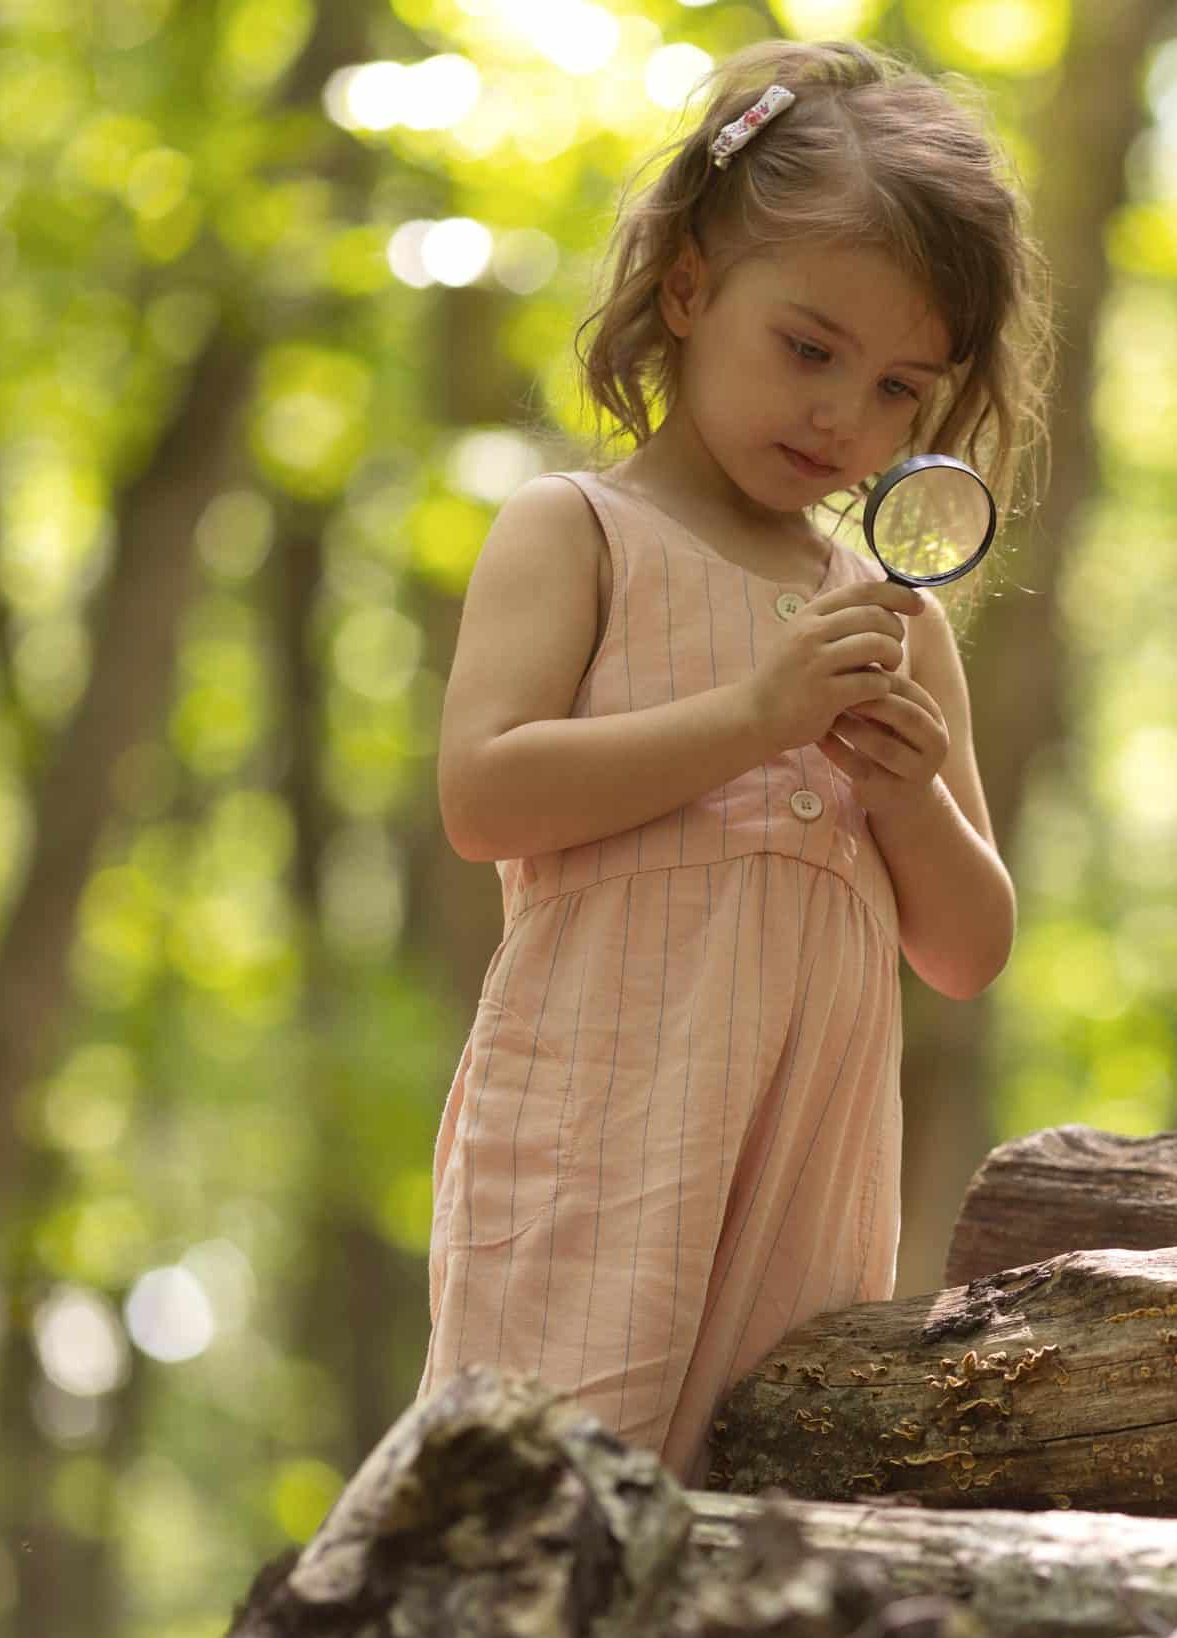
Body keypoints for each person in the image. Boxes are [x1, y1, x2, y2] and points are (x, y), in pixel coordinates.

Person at [418, 40, 1046, 1485]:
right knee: (552, 1495)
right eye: (810, 349)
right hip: (598, 1137)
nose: (844, 417)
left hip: (807, 1169)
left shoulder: (894, 621)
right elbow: (483, 795)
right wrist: (752, 719)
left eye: (900, 390)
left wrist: (909, 793)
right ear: (692, 289)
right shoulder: (574, 533)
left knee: (764, 1505)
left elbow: (968, 947)